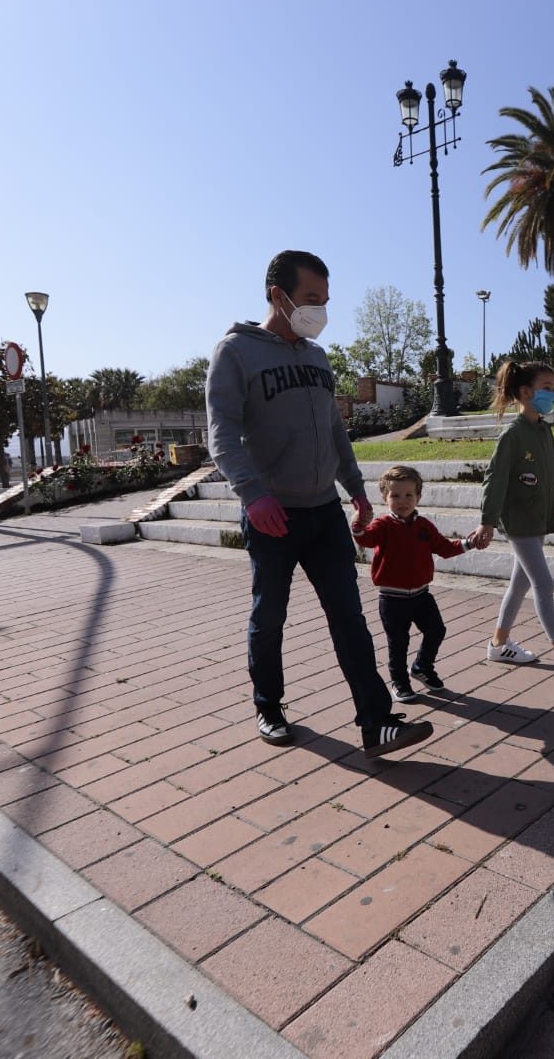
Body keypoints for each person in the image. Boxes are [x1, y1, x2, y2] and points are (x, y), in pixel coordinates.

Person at [206, 250, 433, 759]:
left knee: (349, 617)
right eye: (311, 300)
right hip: (272, 515)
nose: (319, 311)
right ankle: (269, 705)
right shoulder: (235, 352)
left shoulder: (316, 357)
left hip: (325, 511)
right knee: (270, 617)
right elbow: (221, 436)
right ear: (277, 297)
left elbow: (334, 430)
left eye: (325, 301)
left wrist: (355, 489)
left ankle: (376, 722)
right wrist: (254, 493)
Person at [467, 361, 554, 680]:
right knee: (543, 583)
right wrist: (487, 521)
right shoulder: (512, 435)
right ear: (525, 392)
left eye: (553, 388)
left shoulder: (543, 430)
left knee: (520, 584)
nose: (552, 394)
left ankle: (499, 645)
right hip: (518, 520)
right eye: (547, 388)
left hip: (538, 517)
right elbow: (494, 479)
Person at [352, 465, 486, 703]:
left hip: (422, 596)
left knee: (437, 630)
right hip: (392, 599)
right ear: (384, 498)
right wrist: (358, 525)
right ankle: (399, 682)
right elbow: (366, 539)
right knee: (398, 643)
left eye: (408, 495)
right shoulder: (383, 525)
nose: (402, 501)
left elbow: (445, 548)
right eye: (394, 496)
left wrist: (469, 542)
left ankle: (422, 667)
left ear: (418, 497)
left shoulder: (424, 525)